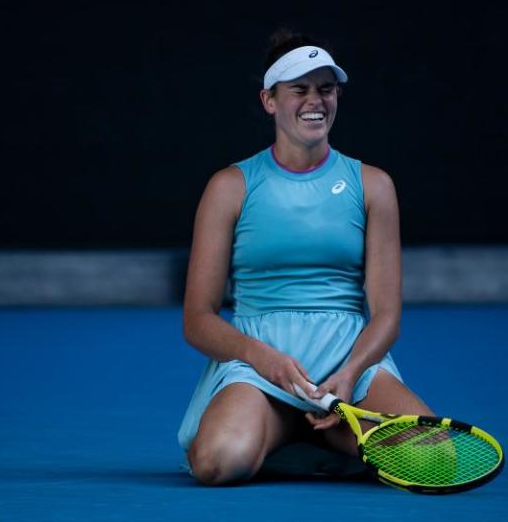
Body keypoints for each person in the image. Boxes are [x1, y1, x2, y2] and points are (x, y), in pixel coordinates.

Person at [177, 30, 432, 485]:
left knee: (435, 460)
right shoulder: (228, 187)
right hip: (259, 366)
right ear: (269, 100)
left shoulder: (373, 185)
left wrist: (350, 373)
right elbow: (197, 319)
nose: (315, 100)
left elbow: (387, 314)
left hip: (349, 363)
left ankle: (321, 434)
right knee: (220, 461)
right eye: (299, 88)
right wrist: (260, 358)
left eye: (326, 88)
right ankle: (285, 425)